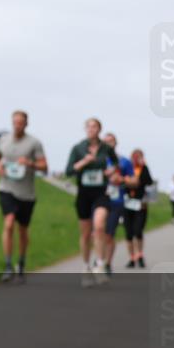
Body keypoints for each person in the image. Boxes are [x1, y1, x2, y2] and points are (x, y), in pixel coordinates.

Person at [0, 111, 47, 282]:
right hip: (6, 188)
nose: (17, 125)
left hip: (26, 193)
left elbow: (44, 166)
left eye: (21, 122)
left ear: (26, 124)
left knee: (22, 230)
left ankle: (21, 263)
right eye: (15, 122)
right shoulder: (3, 139)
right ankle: (8, 265)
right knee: (8, 224)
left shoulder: (34, 143)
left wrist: (29, 163)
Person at [64, 118, 118, 287]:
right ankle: (86, 266)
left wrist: (111, 171)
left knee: (100, 226)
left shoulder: (106, 148)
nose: (91, 129)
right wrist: (84, 162)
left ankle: (100, 265)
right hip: (84, 193)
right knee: (86, 234)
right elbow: (69, 171)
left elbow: (115, 162)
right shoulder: (78, 148)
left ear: (99, 129)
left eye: (94, 126)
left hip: (101, 193)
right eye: (88, 126)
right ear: (85, 129)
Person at [101, 133, 133, 276]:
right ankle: (100, 259)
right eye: (105, 142)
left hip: (116, 200)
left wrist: (122, 179)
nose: (108, 144)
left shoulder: (124, 161)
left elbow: (134, 180)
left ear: (116, 143)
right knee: (98, 231)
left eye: (111, 141)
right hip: (99, 199)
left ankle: (107, 262)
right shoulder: (98, 160)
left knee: (109, 234)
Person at [122, 149, 153, 268]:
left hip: (140, 203)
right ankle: (132, 257)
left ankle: (140, 254)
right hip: (127, 202)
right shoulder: (127, 169)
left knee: (138, 230)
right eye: (135, 157)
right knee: (129, 232)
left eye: (139, 157)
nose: (136, 159)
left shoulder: (144, 169)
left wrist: (144, 165)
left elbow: (149, 182)